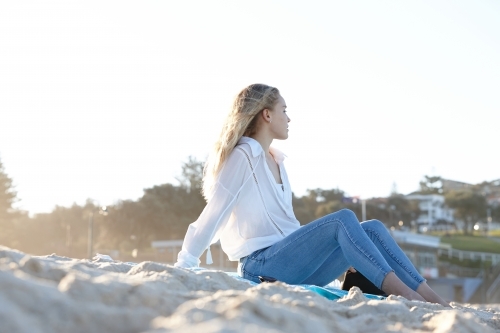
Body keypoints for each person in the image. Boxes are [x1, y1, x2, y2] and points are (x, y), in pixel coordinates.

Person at [174, 83, 449, 307]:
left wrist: (329, 250)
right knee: (343, 219)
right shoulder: (244, 155)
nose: (289, 117)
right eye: (284, 109)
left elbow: (288, 231)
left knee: (373, 229)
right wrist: (186, 261)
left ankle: (434, 299)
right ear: (267, 115)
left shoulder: (277, 160)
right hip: (260, 266)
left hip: (290, 265)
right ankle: (409, 296)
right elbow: (216, 211)